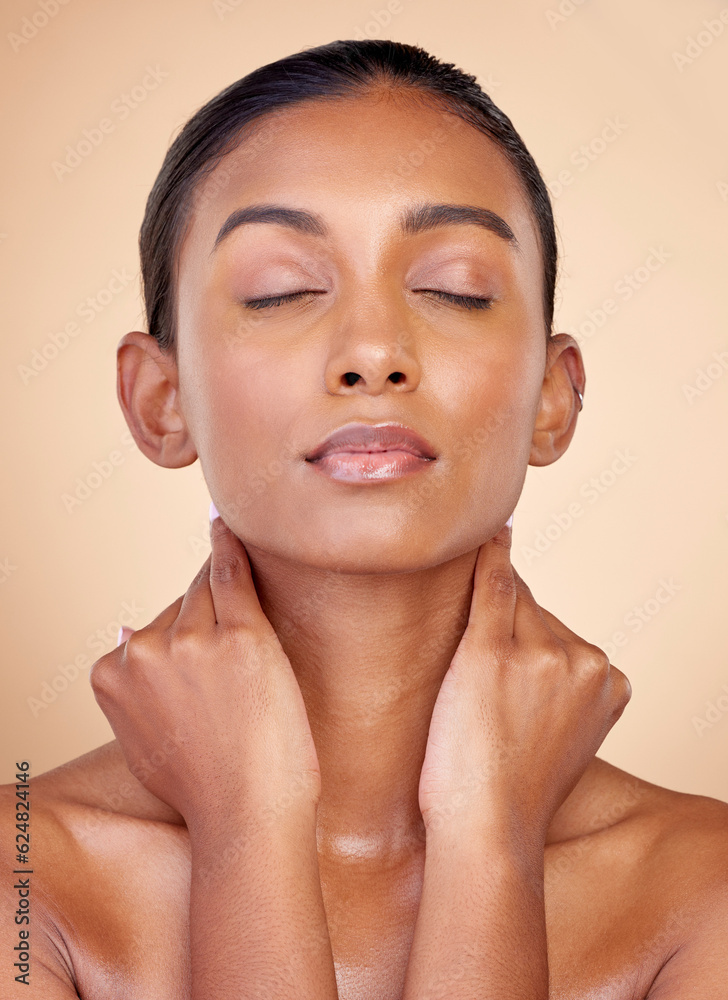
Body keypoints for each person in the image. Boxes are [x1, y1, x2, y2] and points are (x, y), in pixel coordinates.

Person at [2, 37, 727, 1000]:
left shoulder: (699, 891)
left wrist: (491, 845)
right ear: (160, 400)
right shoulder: (24, 882)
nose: (374, 350)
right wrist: (247, 831)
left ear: (553, 397)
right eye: (282, 290)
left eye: (453, 289)